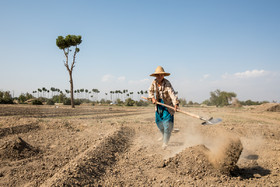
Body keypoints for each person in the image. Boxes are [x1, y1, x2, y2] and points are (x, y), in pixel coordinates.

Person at [148, 66, 179, 149]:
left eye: (161, 75)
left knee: (167, 124)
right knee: (158, 122)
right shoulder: (154, 82)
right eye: (158, 75)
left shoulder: (167, 83)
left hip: (167, 105)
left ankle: (165, 142)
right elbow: (150, 91)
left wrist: (176, 104)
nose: (159, 76)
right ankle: (164, 135)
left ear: (163, 75)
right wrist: (152, 98)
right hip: (158, 104)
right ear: (155, 76)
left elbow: (172, 94)